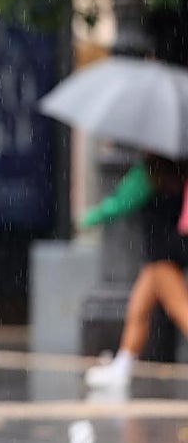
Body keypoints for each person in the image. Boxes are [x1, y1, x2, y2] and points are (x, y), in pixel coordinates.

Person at [83, 155, 188, 389]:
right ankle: (122, 366)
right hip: (170, 251)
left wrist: (89, 218)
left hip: (161, 257)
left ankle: (122, 367)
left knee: (182, 311)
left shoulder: (148, 173)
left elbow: (121, 203)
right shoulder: (179, 169)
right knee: (138, 311)